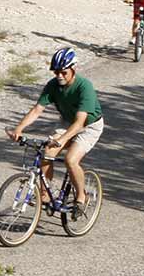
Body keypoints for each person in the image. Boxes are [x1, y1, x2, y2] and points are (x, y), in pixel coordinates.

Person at [6, 47, 104, 218]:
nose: (59, 75)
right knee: (47, 153)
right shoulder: (53, 85)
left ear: (74, 69)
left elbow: (80, 122)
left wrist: (62, 139)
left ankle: (82, 195)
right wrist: (19, 129)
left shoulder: (84, 87)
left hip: (89, 125)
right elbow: (37, 110)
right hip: (67, 122)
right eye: (56, 72)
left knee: (70, 160)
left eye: (63, 72)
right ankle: (45, 194)